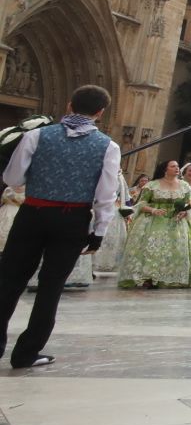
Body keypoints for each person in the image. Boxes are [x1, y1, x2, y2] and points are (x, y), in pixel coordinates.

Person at [0, 86, 120, 369]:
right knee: (50, 288)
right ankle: (26, 353)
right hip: (72, 220)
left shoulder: (37, 135)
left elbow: (13, 177)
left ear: (69, 105)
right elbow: (105, 197)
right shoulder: (108, 146)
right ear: (100, 112)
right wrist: (99, 232)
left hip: (32, 213)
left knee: (8, 281)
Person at [118, 159, 191, 288]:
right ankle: (148, 277)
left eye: (177, 166)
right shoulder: (152, 185)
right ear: (165, 169)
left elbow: (188, 205)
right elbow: (141, 204)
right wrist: (153, 210)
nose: (177, 168)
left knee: (173, 251)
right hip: (152, 222)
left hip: (176, 223)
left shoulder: (185, 186)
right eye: (173, 166)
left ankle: (167, 277)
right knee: (151, 249)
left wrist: (184, 212)